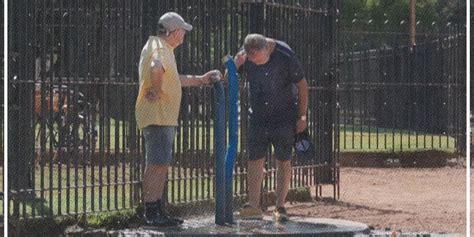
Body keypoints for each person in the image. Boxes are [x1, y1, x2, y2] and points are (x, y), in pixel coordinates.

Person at [135, 12, 222, 227]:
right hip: (159, 115)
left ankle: (154, 209)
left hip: (160, 115)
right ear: (173, 32)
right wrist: (155, 90)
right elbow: (156, 69)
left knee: (159, 163)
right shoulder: (160, 49)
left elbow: (173, 79)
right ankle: (152, 212)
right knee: (157, 164)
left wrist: (200, 80)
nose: (184, 35)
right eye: (182, 30)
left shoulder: (161, 48)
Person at [234, 34, 308, 222]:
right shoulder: (244, 56)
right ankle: (253, 204)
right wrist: (234, 65)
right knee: (254, 159)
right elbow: (229, 81)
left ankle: (280, 206)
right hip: (258, 117)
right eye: (254, 61)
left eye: (260, 60)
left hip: (284, 116)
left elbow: (302, 85)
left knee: (283, 159)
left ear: (267, 48)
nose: (257, 64)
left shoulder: (285, 54)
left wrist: (301, 117)